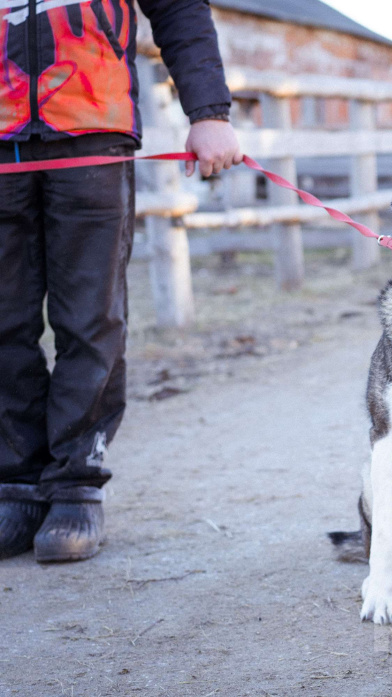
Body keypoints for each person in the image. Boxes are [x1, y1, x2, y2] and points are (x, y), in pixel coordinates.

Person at [0, 0, 242, 562]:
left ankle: (74, 486)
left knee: (89, 319)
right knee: (2, 321)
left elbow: (179, 8)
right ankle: (14, 482)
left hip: (92, 126)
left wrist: (209, 111)